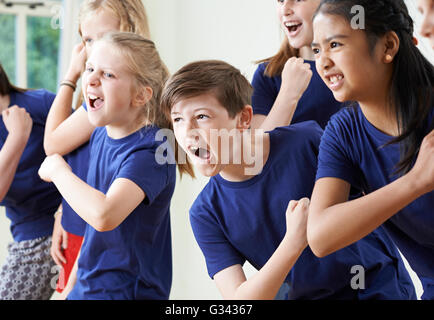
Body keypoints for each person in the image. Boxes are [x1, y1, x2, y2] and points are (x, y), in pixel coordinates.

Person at [160, 59, 416, 299]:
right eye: (178, 120)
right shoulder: (205, 213)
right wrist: (293, 242)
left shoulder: (307, 140)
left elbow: (378, 194)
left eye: (201, 117)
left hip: (377, 287)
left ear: (244, 118)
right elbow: (240, 300)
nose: (187, 132)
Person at [307, 0, 434, 300]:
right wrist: (414, 182)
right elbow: (320, 235)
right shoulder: (342, 134)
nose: (322, 62)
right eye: (316, 50)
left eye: (335, 44)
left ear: (387, 46)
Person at [39, 32, 176, 300]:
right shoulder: (101, 132)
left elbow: (104, 215)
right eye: (90, 68)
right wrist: (69, 289)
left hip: (127, 293)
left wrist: (58, 170)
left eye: (108, 75)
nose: (90, 79)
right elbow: (94, 232)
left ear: (140, 96)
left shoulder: (153, 151)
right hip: (87, 287)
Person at [0, 40, 61, 300]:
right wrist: (17, 136)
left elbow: (92, 150)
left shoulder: (39, 103)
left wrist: (66, 210)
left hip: (74, 225)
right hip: (32, 242)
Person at [251, 0, 343, 131]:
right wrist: (288, 94)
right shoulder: (268, 74)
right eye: (281, 1)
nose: (285, 10)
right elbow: (256, 148)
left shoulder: (354, 68)